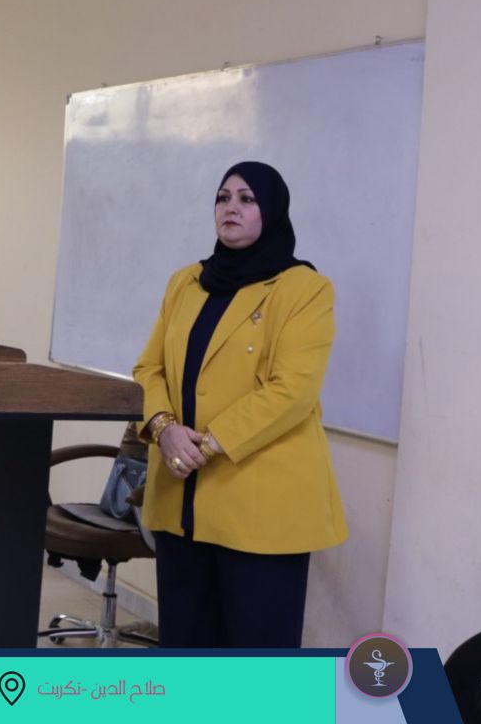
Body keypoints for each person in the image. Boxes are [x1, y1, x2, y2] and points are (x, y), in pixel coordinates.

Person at [133, 162, 346, 647]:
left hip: (260, 507)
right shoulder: (185, 283)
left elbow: (292, 391)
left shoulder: (305, 290)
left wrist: (205, 445)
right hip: (180, 502)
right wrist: (164, 428)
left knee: (255, 661)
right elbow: (149, 368)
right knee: (186, 650)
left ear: (272, 210)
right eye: (223, 197)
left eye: (247, 199)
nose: (231, 207)